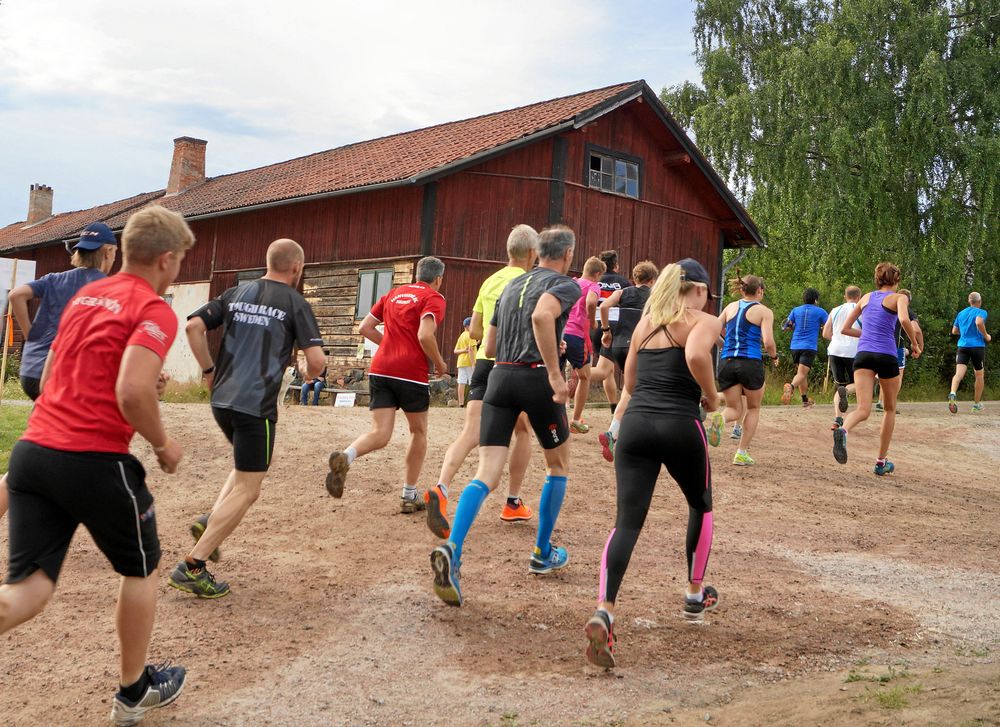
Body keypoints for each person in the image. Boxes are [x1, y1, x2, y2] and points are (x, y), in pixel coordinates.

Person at [0, 205, 193, 725]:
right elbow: (131, 391)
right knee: (143, 568)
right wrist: (162, 442)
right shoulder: (154, 309)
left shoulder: (85, 295)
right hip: (93, 458)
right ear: (167, 260)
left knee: (27, 591)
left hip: (34, 452)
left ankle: (134, 690)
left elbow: (79, 365)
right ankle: (134, 692)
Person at [430, 225, 580, 607]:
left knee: (486, 473)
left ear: (535, 252)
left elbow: (491, 342)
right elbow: (543, 317)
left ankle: (454, 549)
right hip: (534, 379)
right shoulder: (564, 284)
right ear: (567, 255)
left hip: (499, 377)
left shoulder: (512, 284)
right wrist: (554, 372)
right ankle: (542, 552)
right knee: (558, 465)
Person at [585, 259, 723, 669]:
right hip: (681, 423)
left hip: (637, 425)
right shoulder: (704, 320)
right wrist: (712, 399)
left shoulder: (646, 324)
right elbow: (698, 356)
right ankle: (695, 595)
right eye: (708, 293)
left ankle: (605, 610)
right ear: (698, 290)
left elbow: (629, 384)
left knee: (626, 522)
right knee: (701, 505)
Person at [171, 238, 325, 598]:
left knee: (243, 473)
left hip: (222, 400)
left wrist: (208, 371)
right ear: (297, 268)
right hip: (256, 407)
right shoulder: (295, 303)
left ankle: (209, 522)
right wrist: (309, 368)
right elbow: (316, 363)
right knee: (250, 489)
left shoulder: (236, 292)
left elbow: (194, 326)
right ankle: (193, 566)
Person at [424, 227, 539, 539]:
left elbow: (475, 330)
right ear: (532, 254)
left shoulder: (490, 281)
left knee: (470, 432)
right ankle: (513, 502)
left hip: (484, 366)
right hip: (512, 364)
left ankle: (442, 487)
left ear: (508, 251)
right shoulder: (528, 282)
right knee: (522, 430)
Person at [0, 222, 120, 520]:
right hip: (61, 377)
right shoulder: (103, 288)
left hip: (31, 372)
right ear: (107, 252)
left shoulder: (55, 278)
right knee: (67, 449)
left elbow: (16, 295)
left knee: (46, 444)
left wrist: (32, 337)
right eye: (114, 253)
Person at [325, 257, 448, 513]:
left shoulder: (393, 293)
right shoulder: (433, 298)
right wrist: (439, 362)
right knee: (418, 432)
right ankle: (408, 494)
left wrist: (389, 346)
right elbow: (425, 334)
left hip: (381, 369)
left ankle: (346, 456)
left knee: (380, 433)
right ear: (438, 279)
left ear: (416, 274)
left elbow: (365, 327)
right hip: (411, 372)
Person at [832, 262, 920, 475]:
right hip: (886, 355)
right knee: (889, 408)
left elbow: (845, 328)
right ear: (896, 280)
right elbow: (903, 318)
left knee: (863, 409)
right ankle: (881, 462)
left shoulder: (866, 298)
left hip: (862, 355)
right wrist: (915, 344)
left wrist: (868, 336)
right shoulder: (900, 297)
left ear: (877, 279)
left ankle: (843, 430)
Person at [594, 260, 658, 462]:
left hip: (618, 345)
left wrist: (605, 331)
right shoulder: (654, 296)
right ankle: (633, 435)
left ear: (635, 278)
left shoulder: (623, 292)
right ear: (651, 280)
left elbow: (604, 306)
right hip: (638, 347)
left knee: (631, 391)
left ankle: (614, 432)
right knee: (643, 390)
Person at [716, 275, 777, 465]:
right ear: (760, 291)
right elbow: (767, 342)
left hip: (726, 361)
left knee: (733, 408)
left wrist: (723, 345)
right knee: (753, 408)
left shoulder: (730, 308)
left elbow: (713, 330)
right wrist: (774, 357)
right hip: (750, 362)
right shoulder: (764, 311)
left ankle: (718, 419)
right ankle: (741, 453)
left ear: (742, 290)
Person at [562, 256, 604, 433]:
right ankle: (575, 420)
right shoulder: (593, 286)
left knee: (553, 374)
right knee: (585, 376)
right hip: (577, 336)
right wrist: (592, 321)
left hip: (560, 332)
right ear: (597, 274)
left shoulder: (572, 282)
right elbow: (591, 302)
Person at [589, 249, 633, 410]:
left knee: (607, 369)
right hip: (615, 326)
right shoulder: (624, 283)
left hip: (595, 326)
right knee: (603, 370)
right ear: (616, 265)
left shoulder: (595, 280)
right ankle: (578, 374)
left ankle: (614, 407)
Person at [877, 289, 922, 413]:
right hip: (896, 346)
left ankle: (881, 402)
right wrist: (919, 345)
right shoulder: (907, 311)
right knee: (898, 376)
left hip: (880, 345)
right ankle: (890, 403)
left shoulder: (885, 307)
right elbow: (916, 330)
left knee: (883, 374)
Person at [822, 286, 861, 430]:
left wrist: (837, 338)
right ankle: (846, 391)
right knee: (860, 383)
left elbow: (826, 333)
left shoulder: (835, 310)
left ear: (845, 296)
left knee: (840, 385)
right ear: (859, 296)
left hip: (835, 349)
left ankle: (838, 419)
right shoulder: (861, 309)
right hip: (854, 351)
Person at [781, 288, 828, 407]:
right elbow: (829, 326)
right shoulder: (821, 312)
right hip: (809, 346)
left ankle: (805, 400)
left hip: (795, 346)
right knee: (802, 373)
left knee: (801, 373)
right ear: (816, 300)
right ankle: (790, 387)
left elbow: (787, 325)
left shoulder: (795, 310)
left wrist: (791, 326)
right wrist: (822, 328)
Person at [948, 292, 990, 414]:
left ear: (969, 301)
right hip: (977, 347)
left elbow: (954, 330)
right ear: (980, 301)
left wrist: (966, 332)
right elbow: (978, 322)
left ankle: (952, 393)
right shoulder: (981, 312)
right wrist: (986, 335)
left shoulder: (961, 313)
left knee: (959, 374)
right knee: (979, 375)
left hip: (962, 346)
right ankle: (976, 404)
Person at [453, 317, 477, 406]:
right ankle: (472, 402)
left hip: (461, 362)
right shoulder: (471, 335)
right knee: (472, 381)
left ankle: (461, 402)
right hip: (469, 362)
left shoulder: (462, 335)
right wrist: (473, 364)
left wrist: (464, 350)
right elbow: (470, 350)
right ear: (467, 326)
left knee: (461, 382)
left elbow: (455, 351)